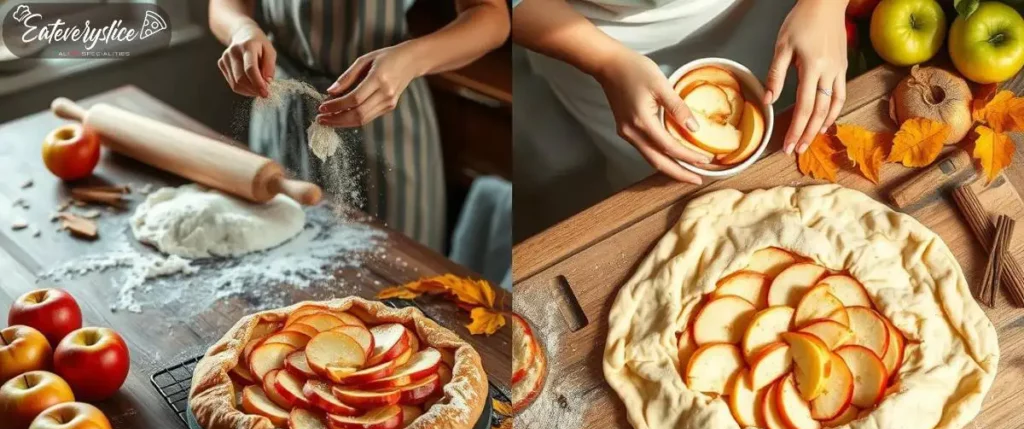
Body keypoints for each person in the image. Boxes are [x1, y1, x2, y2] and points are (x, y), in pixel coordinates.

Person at [209, 0, 509, 251]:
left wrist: (412, 59)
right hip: (281, 108)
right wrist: (241, 28)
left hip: (386, 111)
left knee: (396, 285)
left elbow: (490, 15)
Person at [513, 0, 848, 187]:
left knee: (789, 123)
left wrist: (826, 6)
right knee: (663, 176)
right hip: (597, 37)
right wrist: (607, 62)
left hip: (768, 13)